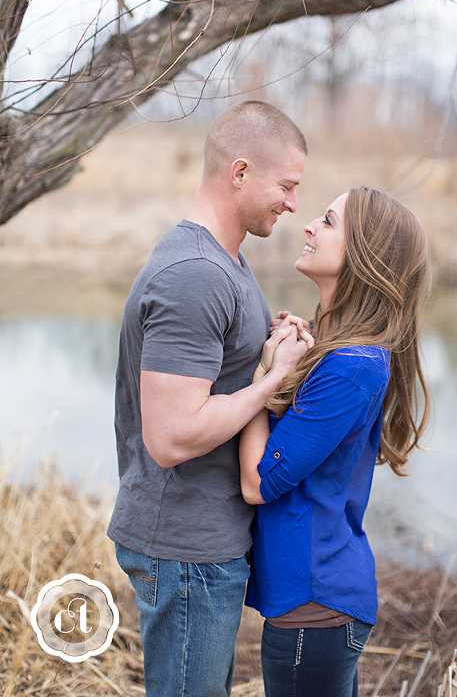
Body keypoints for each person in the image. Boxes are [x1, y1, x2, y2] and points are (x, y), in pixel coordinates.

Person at [107, 100, 312, 697]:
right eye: (287, 185)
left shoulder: (228, 262)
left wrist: (272, 354)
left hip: (204, 545)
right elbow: (170, 438)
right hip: (185, 550)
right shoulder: (196, 273)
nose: (293, 204)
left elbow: (220, 381)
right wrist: (271, 382)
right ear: (240, 172)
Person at [239, 187, 431, 697]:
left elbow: (259, 482)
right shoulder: (338, 354)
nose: (308, 225)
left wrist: (263, 378)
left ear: (364, 257)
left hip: (317, 605)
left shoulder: (352, 368)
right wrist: (290, 360)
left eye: (327, 221)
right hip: (311, 603)